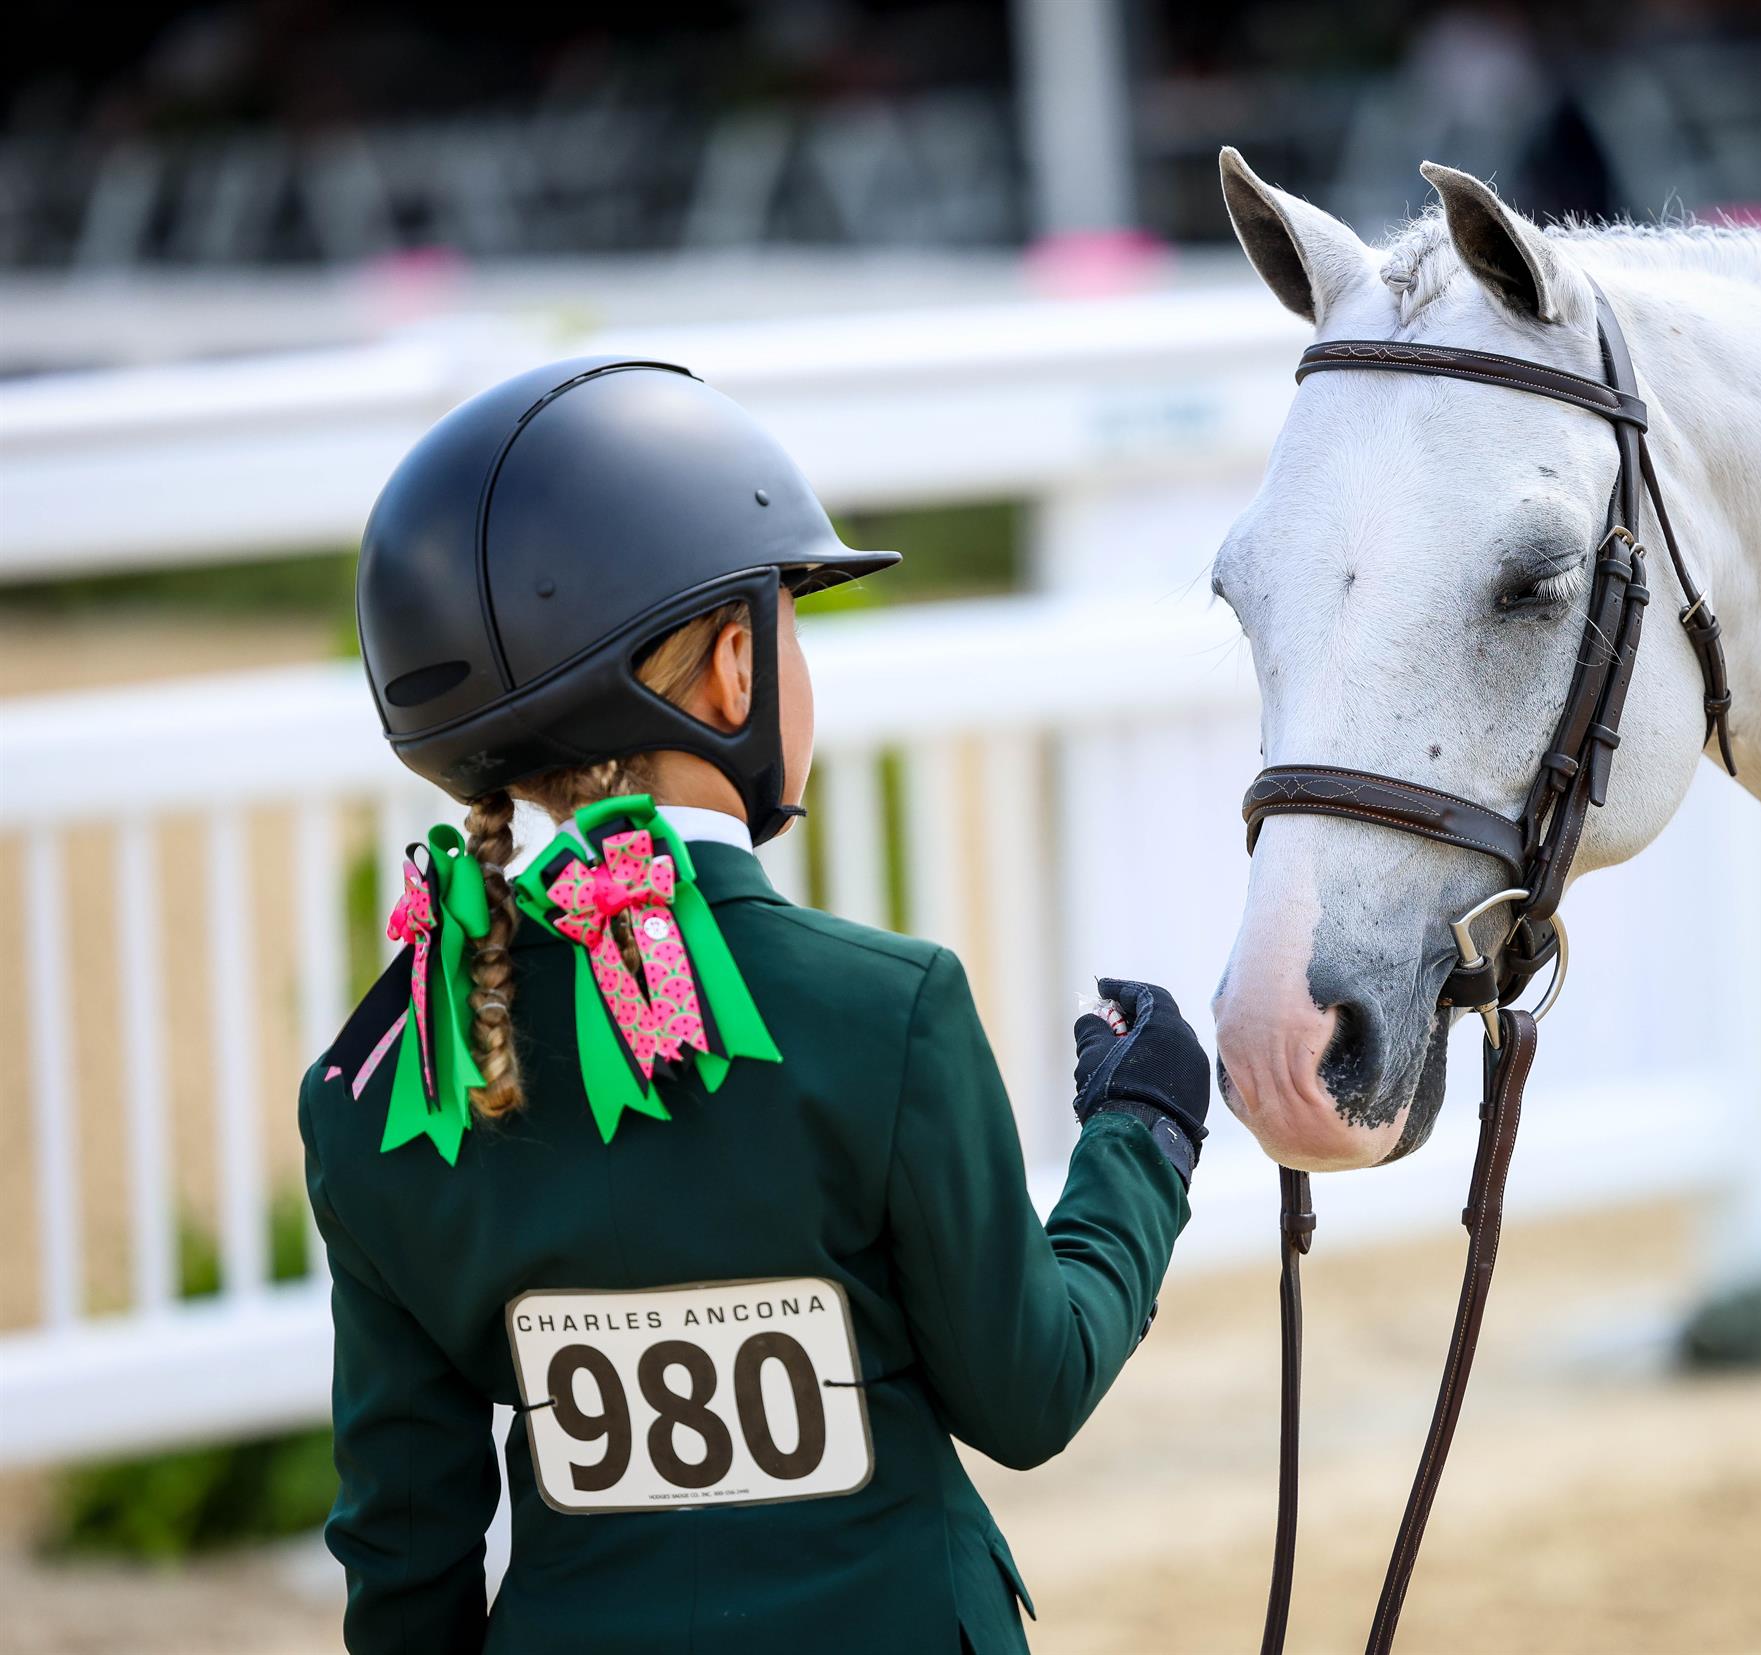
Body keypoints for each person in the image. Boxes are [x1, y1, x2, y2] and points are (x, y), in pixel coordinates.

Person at [302, 356, 1212, 1655]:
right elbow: (1030, 1391)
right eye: (790, 621)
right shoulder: (886, 1013)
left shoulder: (384, 1077)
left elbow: (403, 1548)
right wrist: (1145, 1138)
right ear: (736, 669)